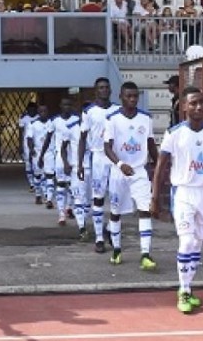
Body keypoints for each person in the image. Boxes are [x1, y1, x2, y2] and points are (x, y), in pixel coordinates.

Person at [151, 86, 203, 312]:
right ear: (183, 107)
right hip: (183, 192)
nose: (198, 107)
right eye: (193, 103)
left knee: (199, 241)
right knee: (187, 241)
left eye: (201, 102)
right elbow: (161, 167)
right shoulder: (174, 134)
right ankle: (183, 290)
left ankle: (188, 286)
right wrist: (155, 197)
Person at [103, 81, 158, 269]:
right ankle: (117, 250)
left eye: (135, 96)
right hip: (119, 172)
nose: (133, 99)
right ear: (121, 97)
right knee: (116, 212)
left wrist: (158, 166)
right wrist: (120, 163)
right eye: (129, 96)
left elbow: (151, 145)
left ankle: (145, 254)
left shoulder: (146, 119)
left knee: (145, 210)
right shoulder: (112, 119)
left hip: (140, 171)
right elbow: (107, 147)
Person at [78, 77, 120, 253]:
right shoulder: (89, 112)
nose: (104, 90)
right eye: (100, 88)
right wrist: (79, 163)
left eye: (106, 87)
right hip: (98, 157)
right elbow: (82, 139)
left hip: (115, 157)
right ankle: (99, 238)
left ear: (110, 90)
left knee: (118, 198)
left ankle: (110, 228)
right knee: (98, 198)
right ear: (96, 91)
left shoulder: (118, 110)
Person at [45, 97, 79, 226]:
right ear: (60, 105)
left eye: (69, 105)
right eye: (65, 105)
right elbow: (48, 138)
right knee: (60, 184)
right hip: (60, 157)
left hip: (74, 158)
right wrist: (43, 154)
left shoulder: (76, 120)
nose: (67, 107)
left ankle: (69, 207)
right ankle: (61, 214)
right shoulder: (55, 121)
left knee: (72, 185)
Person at [62, 101, 90, 240]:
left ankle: (86, 222)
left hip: (93, 169)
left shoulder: (98, 127)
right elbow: (63, 147)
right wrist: (66, 163)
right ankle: (82, 227)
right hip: (77, 169)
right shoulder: (71, 128)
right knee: (79, 197)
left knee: (89, 201)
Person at [28, 104, 54, 207]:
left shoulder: (52, 123)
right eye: (41, 111)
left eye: (45, 111)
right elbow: (29, 138)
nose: (43, 113)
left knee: (49, 175)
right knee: (38, 175)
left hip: (49, 152)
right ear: (38, 113)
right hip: (37, 152)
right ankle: (38, 195)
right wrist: (31, 149)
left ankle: (49, 199)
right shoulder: (33, 124)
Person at [18, 102, 39, 188]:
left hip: (37, 143)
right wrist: (20, 145)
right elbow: (20, 132)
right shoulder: (24, 118)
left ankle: (36, 180)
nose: (32, 111)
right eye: (30, 109)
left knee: (36, 162)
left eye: (33, 109)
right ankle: (31, 183)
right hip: (26, 143)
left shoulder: (39, 117)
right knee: (28, 163)